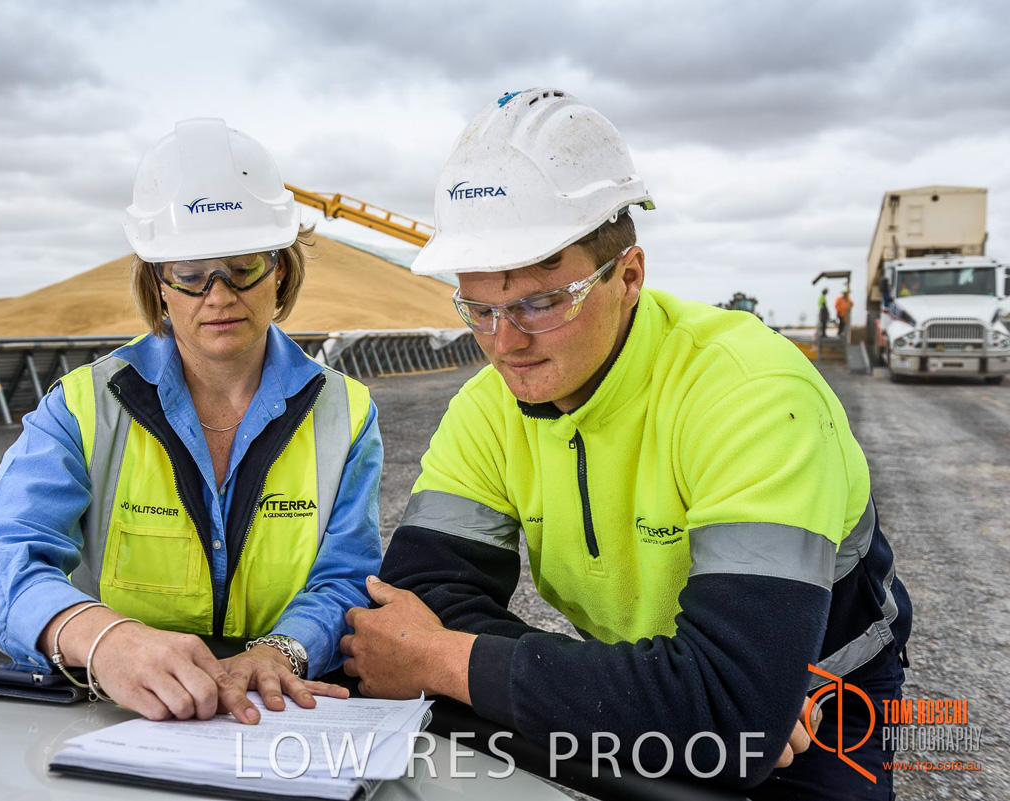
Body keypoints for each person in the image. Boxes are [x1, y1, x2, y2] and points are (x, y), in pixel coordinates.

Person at [341, 90, 911, 799]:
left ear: (629, 277)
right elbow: (415, 601)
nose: (504, 342)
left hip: (825, 694)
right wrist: (686, 692)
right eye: (479, 308)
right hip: (723, 689)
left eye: (540, 303)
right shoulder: (488, 406)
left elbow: (734, 722)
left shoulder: (753, 394)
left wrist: (441, 660)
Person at [0, 118, 383, 724]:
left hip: (279, 710)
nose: (219, 295)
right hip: (117, 715)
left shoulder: (345, 411)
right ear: (157, 282)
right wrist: (103, 640)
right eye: (190, 273)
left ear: (281, 268)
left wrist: (282, 650)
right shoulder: (84, 405)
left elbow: (348, 575)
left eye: (243, 266)